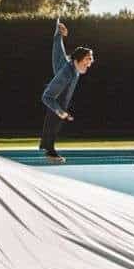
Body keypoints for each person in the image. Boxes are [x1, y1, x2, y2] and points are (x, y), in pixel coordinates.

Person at [40, 20, 95, 163]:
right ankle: (50, 151)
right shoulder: (67, 73)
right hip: (55, 100)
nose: (90, 63)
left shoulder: (71, 65)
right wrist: (59, 110)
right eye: (88, 59)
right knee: (55, 121)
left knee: (55, 123)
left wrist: (59, 34)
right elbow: (46, 97)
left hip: (61, 100)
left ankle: (47, 148)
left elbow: (58, 51)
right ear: (78, 59)